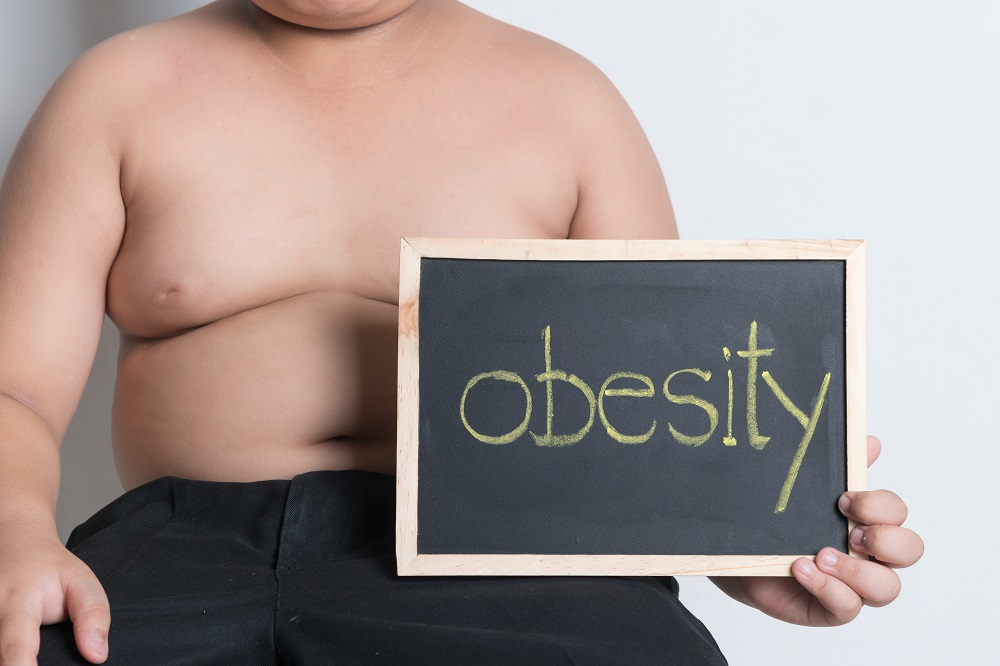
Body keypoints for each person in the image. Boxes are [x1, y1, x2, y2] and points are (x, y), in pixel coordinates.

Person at [0, 1, 924, 663]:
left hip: (518, 575)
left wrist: (752, 557)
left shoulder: (565, 105)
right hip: (181, 553)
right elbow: (17, 390)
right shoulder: (118, 94)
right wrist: (15, 531)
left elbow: (659, 435)